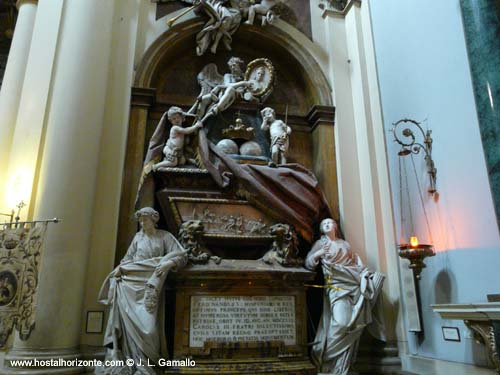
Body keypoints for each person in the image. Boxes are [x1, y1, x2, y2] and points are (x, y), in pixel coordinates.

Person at [96, 207, 187, 375]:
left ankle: (148, 365)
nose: (142, 223)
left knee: (149, 329)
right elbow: (128, 259)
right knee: (128, 329)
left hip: (151, 286)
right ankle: (132, 362)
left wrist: (168, 263)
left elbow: (181, 255)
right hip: (129, 286)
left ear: (153, 220)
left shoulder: (164, 236)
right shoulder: (138, 237)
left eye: (145, 220)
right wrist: (120, 268)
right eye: (140, 220)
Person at [305, 218, 385, 375]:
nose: (327, 225)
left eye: (330, 223)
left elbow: (354, 263)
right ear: (322, 229)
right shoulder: (321, 243)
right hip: (336, 287)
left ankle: (341, 366)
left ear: (335, 225)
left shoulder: (344, 244)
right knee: (341, 323)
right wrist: (319, 254)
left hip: (353, 284)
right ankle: (327, 357)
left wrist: (362, 272)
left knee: (354, 321)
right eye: (324, 224)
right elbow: (308, 262)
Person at [153, 106, 202, 170]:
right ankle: (156, 166)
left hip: (178, 151)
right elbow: (186, 131)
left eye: (177, 117)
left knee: (182, 161)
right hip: (170, 148)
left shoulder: (180, 127)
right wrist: (196, 126)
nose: (176, 120)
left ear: (182, 117)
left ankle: (167, 161)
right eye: (173, 119)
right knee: (173, 162)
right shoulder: (175, 128)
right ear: (171, 121)